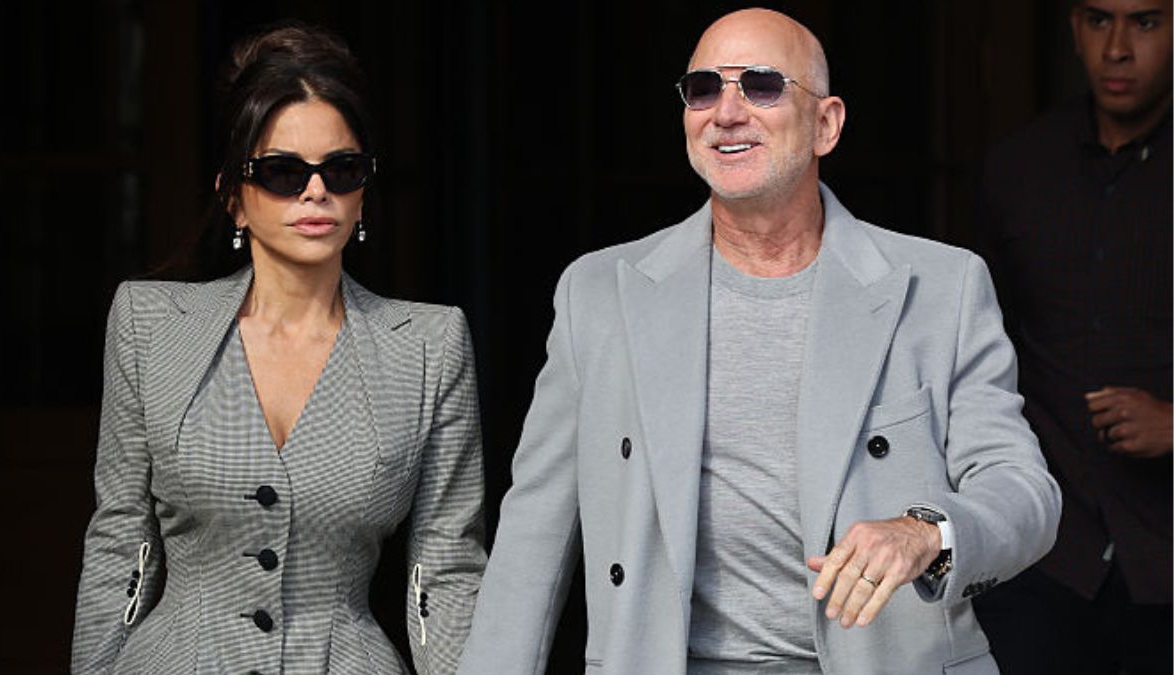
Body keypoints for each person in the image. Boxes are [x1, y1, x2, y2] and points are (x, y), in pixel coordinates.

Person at [457, 8, 1060, 675]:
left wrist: (925, 532)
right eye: (703, 89)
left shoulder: (943, 287)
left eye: (762, 85)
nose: (726, 112)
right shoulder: (599, 294)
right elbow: (535, 527)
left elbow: (1022, 491)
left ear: (826, 123)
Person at [71, 25, 486, 674]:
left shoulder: (431, 346)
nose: (316, 192)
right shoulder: (148, 325)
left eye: (341, 170)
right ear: (233, 198)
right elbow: (121, 540)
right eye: (283, 173)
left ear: (362, 195)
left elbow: (445, 566)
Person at [972, 0, 1172, 673]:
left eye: (1146, 22)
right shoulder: (1017, 168)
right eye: (1098, 20)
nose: (1117, 48)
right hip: (1046, 556)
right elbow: (974, 355)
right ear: (1074, 30)